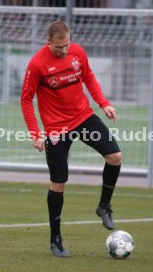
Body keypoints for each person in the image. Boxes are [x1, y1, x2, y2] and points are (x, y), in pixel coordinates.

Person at [21, 20, 121, 257]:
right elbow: (26, 100)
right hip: (56, 128)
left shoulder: (78, 52)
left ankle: (104, 206)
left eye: (66, 45)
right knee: (58, 183)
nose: (64, 50)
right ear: (49, 42)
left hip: (84, 117)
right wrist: (36, 134)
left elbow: (88, 78)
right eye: (59, 47)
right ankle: (56, 240)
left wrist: (103, 103)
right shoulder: (37, 64)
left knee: (115, 156)